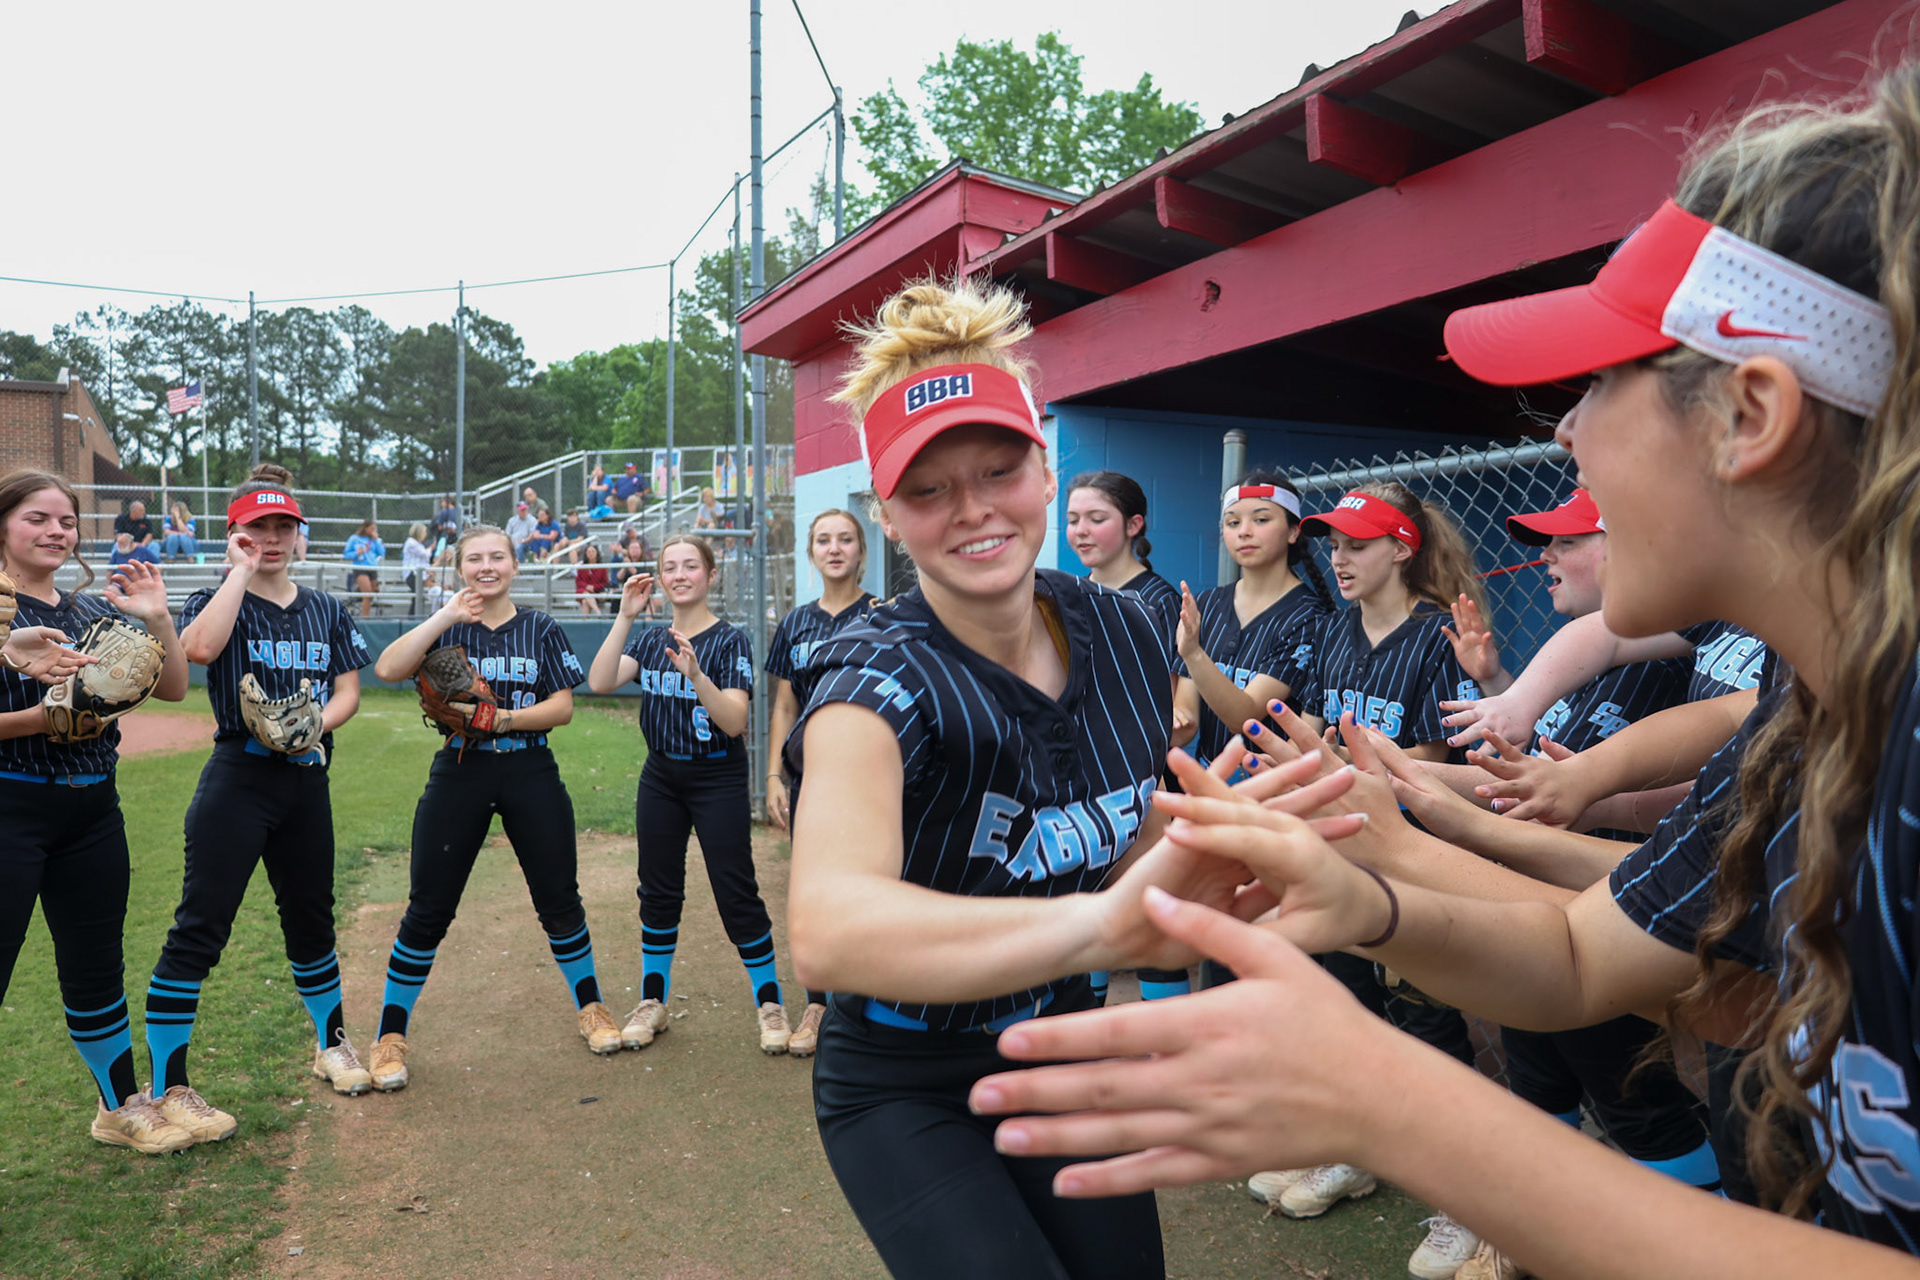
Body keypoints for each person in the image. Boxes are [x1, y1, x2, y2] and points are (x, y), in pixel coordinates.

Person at [969, 70, 1920, 1276]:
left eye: (1595, 384)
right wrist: (1369, 877)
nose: (1566, 437)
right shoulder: (1815, 704)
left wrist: (1387, 1098)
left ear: (1753, 415)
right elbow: (1587, 951)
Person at [779, 276, 1336, 1279]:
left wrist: (1214, 837)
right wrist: (1106, 925)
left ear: (1046, 471)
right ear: (889, 518)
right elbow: (827, 926)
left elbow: (1110, 837)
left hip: (1064, 1038)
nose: (973, 509)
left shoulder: (1128, 632)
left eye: (999, 469)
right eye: (930, 488)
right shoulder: (873, 676)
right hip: (906, 1073)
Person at [144, 463, 375, 1141]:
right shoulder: (213, 595)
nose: (271, 539)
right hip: (237, 781)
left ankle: (332, 1045)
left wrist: (314, 726)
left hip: (305, 776)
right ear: (235, 534)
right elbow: (199, 649)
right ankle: (169, 1085)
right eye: (257, 528)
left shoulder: (327, 608)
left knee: (311, 921)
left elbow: (348, 692)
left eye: (283, 527)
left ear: (299, 535)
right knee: (200, 928)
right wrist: (238, 575)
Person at [366, 525, 615, 1089]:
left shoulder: (539, 627)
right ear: (459, 570)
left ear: (514, 565)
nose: (486, 566)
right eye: (474, 559)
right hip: (461, 768)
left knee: (558, 898)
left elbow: (562, 707)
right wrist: (445, 617)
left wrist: (503, 719)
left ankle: (592, 1008)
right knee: (429, 906)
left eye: (497, 556)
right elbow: (386, 669)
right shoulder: (447, 622)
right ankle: (389, 1035)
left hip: (529, 766)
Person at [0, 470, 195, 1152]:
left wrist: (157, 616)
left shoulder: (88, 614)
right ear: (3, 526)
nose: (57, 531)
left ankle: (118, 1108)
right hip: (9, 805)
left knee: (94, 967)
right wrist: (44, 715)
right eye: (38, 518)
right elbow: (46, 719)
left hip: (92, 810)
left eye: (67, 521)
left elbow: (173, 687)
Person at [586, 534, 791, 1056]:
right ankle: (652, 1002)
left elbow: (735, 721)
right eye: (670, 567)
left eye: (691, 566)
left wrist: (697, 674)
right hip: (662, 777)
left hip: (716, 777)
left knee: (735, 890)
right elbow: (601, 681)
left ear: (710, 575)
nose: (680, 575)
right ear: (660, 576)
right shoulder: (652, 637)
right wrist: (626, 616)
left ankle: (770, 1004)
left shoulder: (730, 640)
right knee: (657, 890)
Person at [763, 508, 879, 1055]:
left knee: (871, 882)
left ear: (862, 550)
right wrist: (772, 776)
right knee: (813, 888)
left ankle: (864, 997)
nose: (835, 548)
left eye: (846, 539)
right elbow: (785, 704)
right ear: (811, 552)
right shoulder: (795, 623)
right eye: (823, 540)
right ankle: (817, 1003)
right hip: (811, 777)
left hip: (873, 776)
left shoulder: (885, 614)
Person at [343, 519, 384, 618]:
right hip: (360, 568)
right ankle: (364, 618)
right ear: (365, 528)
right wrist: (357, 553)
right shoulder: (354, 539)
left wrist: (376, 541)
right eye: (371, 529)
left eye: (375, 529)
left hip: (372, 568)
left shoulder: (375, 540)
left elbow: (382, 552)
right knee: (368, 594)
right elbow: (346, 554)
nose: (373, 531)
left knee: (374, 592)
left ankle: (365, 613)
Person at [402, 523, 432, 613]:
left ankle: (413, 616)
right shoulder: (411, 543)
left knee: (418, 596)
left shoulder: (418, 544)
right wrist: (431, 548)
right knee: (418, 596)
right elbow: (425, 554)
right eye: (424, 532)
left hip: (417, 574)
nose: (425, 534)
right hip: (412, 574)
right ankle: (412, 617)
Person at [573, 543, 609, 615]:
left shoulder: (602, 568)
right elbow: (578, 581)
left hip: (596, 591)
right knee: (586, 594)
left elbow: (605, 582)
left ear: (597, 553)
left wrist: (594, 587)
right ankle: (598, 612)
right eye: (589, 552)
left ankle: (586, 622)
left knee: (585, 602)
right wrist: (586, 586)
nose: (591, 554)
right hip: (583, 590)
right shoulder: (582, 567)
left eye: (593, 551)